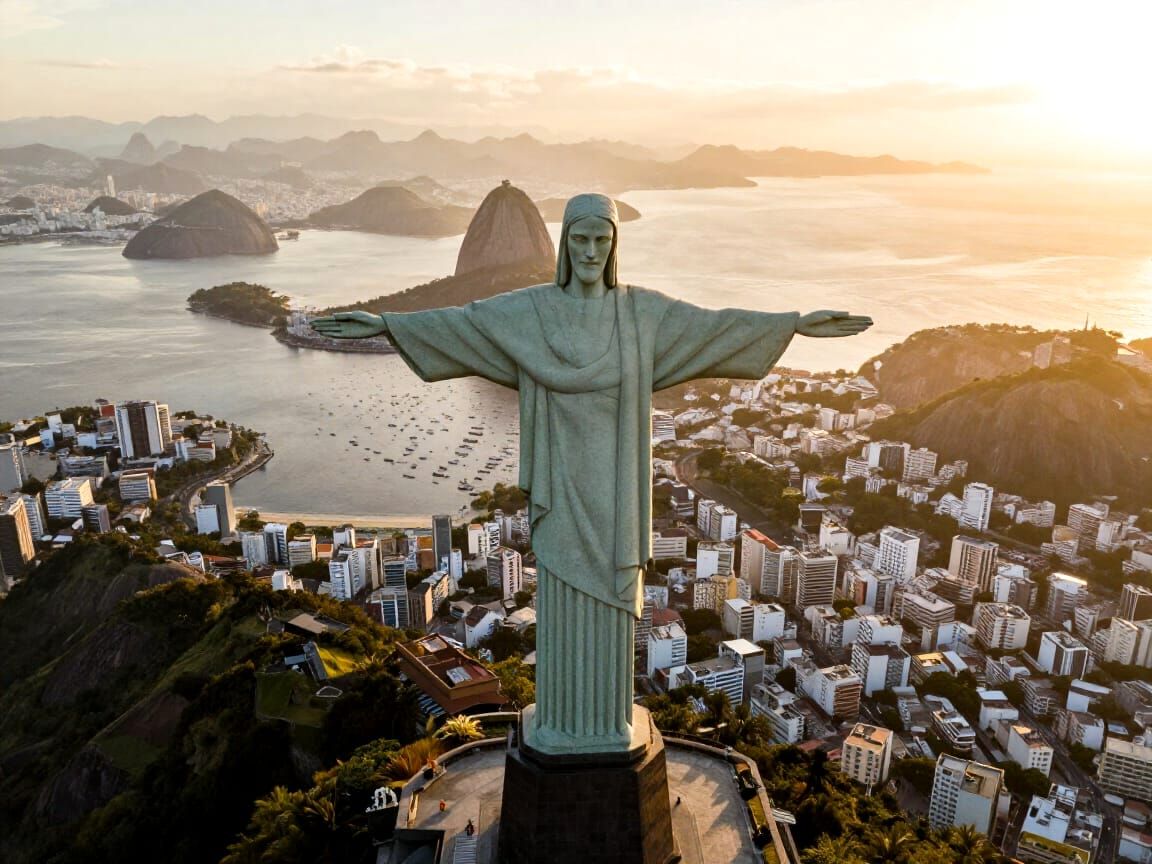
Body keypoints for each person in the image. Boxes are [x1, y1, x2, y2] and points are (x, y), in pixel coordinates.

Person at [312, 194, 872, 756]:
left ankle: (604, 723)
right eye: (579, 239)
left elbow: (712, 328)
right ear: (563, 245)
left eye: (601, 240)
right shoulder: (532, 311)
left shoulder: (640, 314)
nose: (589, 251)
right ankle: (562, 721)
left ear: (614, 245)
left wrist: (792, 325)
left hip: (615, 485)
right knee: (561, 593)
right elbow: (464, 326)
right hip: (559, 483)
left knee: (610, 598)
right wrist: (385, 324)